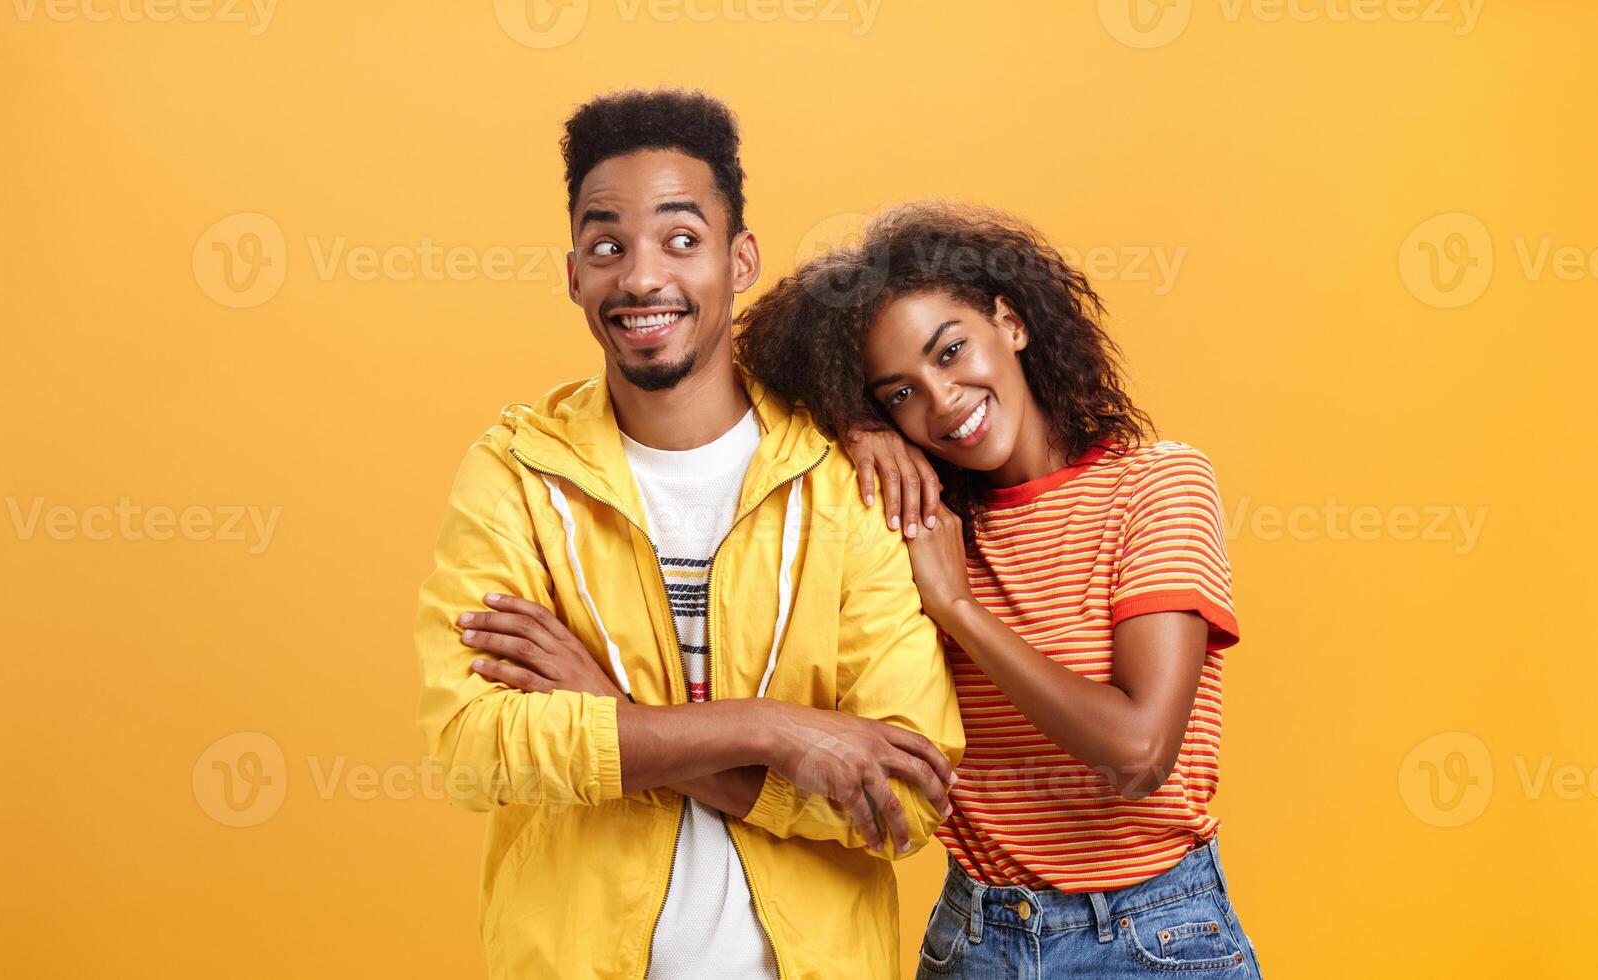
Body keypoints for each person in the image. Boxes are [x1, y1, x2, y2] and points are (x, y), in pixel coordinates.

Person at [413, 90, 963, 979]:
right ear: (573, 275)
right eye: (606, 246)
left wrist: (613, 719)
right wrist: (777, 730)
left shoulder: (843, 478)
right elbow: (476, 747)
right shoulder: (514, 473)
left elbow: (903, 796)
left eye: (680, 239)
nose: (640, 278)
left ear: (739, 259)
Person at [738, 202, 1261, 977]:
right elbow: (733, 387)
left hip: (1155, 935)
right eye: (901, 393)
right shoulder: (918, 522)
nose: (942, 400)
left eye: (950, 352)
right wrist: (856, 425)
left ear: (1010, 322)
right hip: (973, 937)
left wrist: (957, 608)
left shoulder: (1156, 487)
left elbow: (1139, 752)